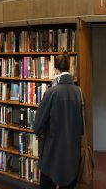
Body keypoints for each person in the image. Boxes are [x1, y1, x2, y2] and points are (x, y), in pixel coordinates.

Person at [33, 54, 84, 189]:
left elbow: (37, 127)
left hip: (51, 157)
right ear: (69, 68)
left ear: (55, 70)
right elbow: (83, 128)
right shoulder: (80, 93)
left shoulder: (51, 93)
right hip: (72, 157)